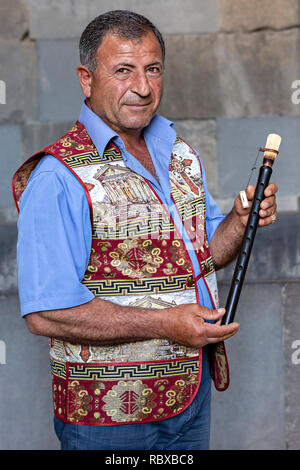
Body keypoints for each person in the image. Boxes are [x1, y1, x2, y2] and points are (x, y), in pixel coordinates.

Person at [13, 10, 277, 450]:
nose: (142, 87)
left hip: (190, 395)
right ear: (86, 79)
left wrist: (239, 220)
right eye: (123, 71)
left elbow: (203, 251)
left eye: (152, 69)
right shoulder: (58, 176)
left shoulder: (181, 155)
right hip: (107, 418)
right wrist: (165, 324)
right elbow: (45, 313)